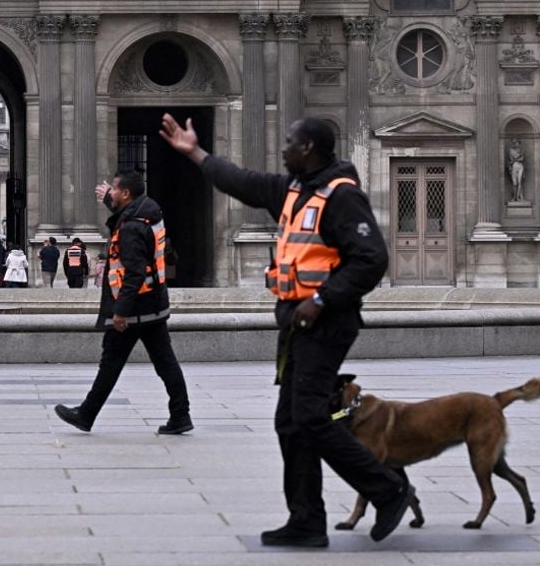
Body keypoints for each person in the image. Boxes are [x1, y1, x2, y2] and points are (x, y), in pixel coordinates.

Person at [159, 113, 414, 547]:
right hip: (297, 323)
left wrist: (322, 299)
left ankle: (388, 488)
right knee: (290, 422)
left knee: (311, 416)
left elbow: (371, 259)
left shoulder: (341, 196)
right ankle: (306, 521)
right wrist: (196, 152)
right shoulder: (294, 191)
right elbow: (241, 181)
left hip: (327, 321)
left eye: (290, 142)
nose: (283, 148)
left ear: (309, 149)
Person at [55, 170, 191, 436]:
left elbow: (134, 273)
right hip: (153, 304)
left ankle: (86, 414)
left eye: (115, 190)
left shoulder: (131, 228)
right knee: (165, 362)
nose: (112, 193)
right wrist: (108, 197)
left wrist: (120, 312)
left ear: (126, 194)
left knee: (112, 362)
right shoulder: (149, 213)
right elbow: (126, 215)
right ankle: (181, 414)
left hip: (134, 309)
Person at [508, 137, 526, 202]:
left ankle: (519, 197)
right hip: (514, 165)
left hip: (520, 165)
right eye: (514, 143)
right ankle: (514, 197)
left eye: (516, 142)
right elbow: (512, 158)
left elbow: (522, 158)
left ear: (519, 143)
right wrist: (517, 157)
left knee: (520, 182)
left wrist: (517, 158)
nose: (515, 144)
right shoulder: (511, 150)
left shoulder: (522, 150)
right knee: (514, 183)